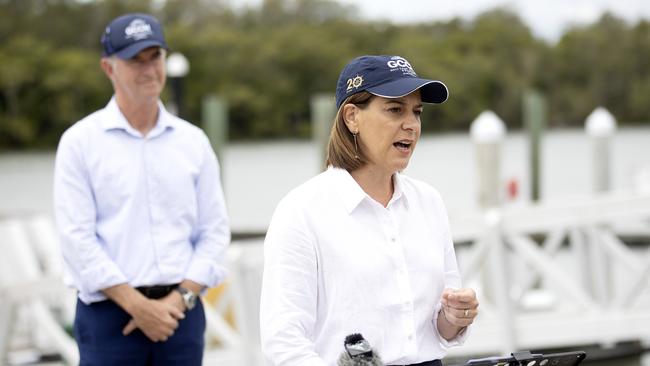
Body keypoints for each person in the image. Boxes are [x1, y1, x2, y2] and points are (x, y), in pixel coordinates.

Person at [260, 55, 478, 366]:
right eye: (395, 110)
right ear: (351, 117)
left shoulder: (429, 201)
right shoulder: (300, 211)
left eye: (417, 112)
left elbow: (437, 329)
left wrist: (456, 316)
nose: (411, 124)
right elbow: (282, 343)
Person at [53, 13, 230, 365]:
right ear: (108, 67)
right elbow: (77, 239)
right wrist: (139, 307)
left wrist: (177, 300)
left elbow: (215, 230)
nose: (149, 69)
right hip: (108, 318)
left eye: (155, 57)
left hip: (181, 314)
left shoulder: (193, 142)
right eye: (135, 59)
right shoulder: (79, 143)